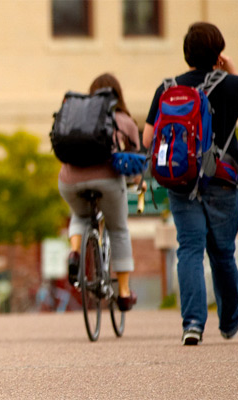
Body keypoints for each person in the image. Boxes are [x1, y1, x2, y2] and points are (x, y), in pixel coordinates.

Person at [142, 22, 238, 346]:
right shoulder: (232, 86)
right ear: (218, 52)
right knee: (223, 253)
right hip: (222, 179)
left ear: (186, 53)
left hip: (181, 180)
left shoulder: (167, 88)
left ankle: (193, 324)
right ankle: (229, 322)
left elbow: (147, 138)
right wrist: (230, 71)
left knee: (189, 249)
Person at [59, 73, 140, 312]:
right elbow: (135, 158)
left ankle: (74, 252)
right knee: (118, 229)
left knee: (80, 215)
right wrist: (138, 181)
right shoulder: (123, 119)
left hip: (69, 181)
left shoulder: (78, 117)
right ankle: (124, 293)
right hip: (107, 181)